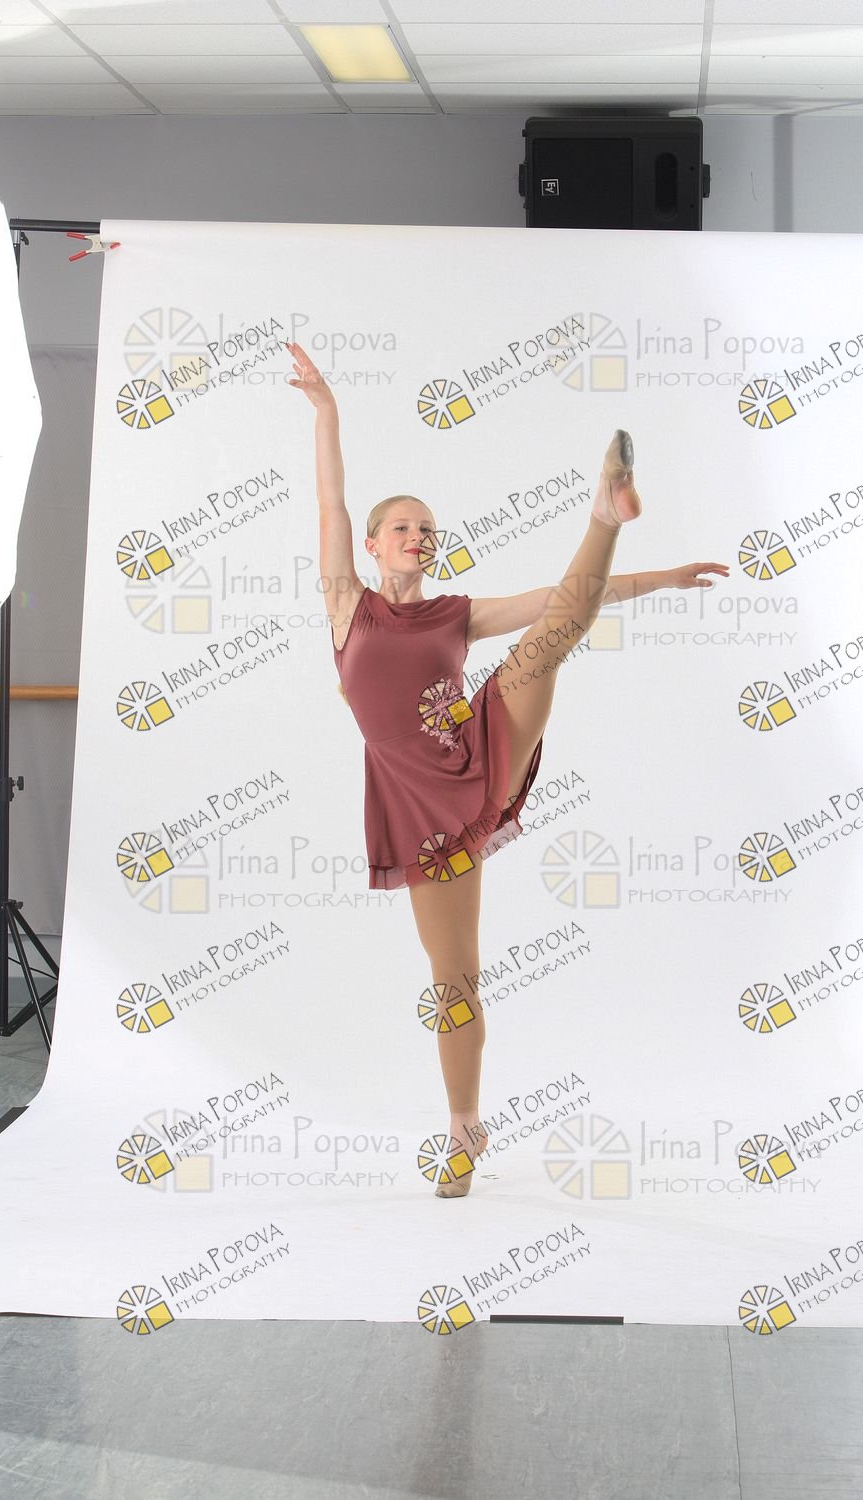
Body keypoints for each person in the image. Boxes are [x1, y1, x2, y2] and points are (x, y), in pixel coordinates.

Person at [286, 340, 728, 1198]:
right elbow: (329, 501)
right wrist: (328, 409)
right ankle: (464, 1129)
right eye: (402, 527)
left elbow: (566, 602)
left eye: (427, 528)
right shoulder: (347, 604)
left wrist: (667, 577)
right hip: (418, 810)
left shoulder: (456, 614)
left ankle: (604, 513)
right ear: (374, 545)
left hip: (477, 748)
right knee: (455, 980)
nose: (417, 536)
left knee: (551, 636)